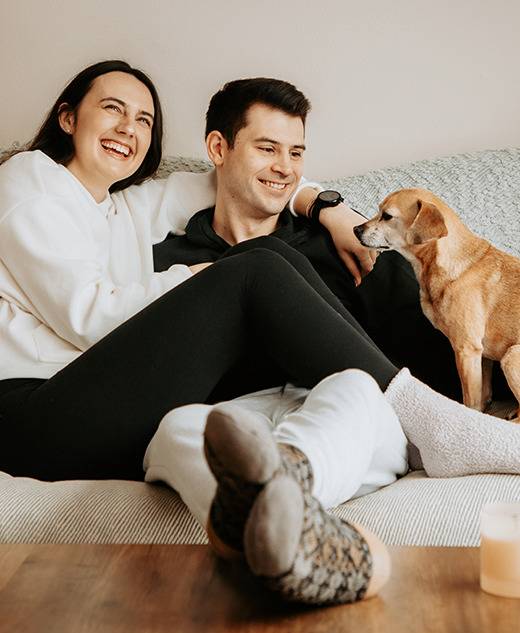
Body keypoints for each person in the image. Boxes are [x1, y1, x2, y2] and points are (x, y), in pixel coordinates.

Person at [143, 77, 520, 602]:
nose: (285, 167)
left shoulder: (343, 244)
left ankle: (272, 507)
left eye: (296, 152)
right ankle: (292, 533)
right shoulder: (170, 259)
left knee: (354, 388)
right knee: (175, 428)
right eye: (267, 148)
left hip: (347, 413)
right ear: (218, 149)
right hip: (243, 417)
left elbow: (445, 338)